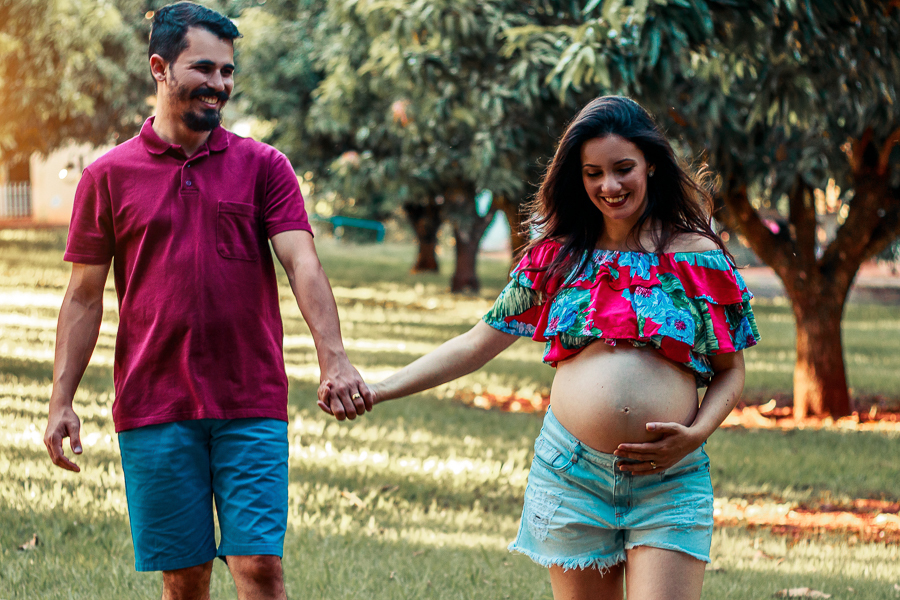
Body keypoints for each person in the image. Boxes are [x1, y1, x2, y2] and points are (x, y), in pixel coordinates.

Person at [319, 96, 760, 600]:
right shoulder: (557, 256)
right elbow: (477, 343)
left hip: (670, 478)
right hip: (573, 476)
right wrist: (379, 389)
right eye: (593, 173)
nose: (609, 186)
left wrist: (695, 434)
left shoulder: (697, 257)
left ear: (651, 165)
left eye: (623, 169)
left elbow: (731, 370)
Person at [42, 3, 373, 599]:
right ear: (159, 67)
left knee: (260, 567)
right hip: (155, 402)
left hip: (250, 398)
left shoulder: (264, 167)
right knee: (185, 577)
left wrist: (335, 358)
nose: (219, 84)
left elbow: (302, 262)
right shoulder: (107, 177)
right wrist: (60, 400)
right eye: (203, 68)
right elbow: (84, 298)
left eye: (227, 71)